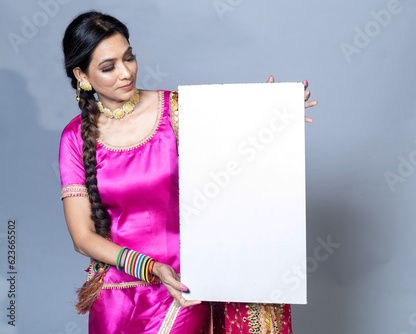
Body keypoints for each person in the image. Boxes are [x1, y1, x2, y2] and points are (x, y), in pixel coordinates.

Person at [59, 11, 317, 334]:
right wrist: (150, 267)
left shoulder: (177, 111)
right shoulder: (74, 137)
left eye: (129, 58)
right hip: (115, 297)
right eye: (109, 67)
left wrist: (267, 114)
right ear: (82, 75)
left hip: (182, 286)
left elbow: (235, 162)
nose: (126, 73)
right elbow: (83, 238)